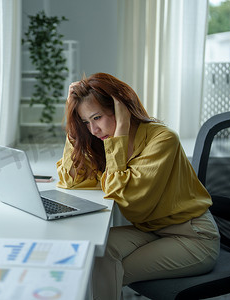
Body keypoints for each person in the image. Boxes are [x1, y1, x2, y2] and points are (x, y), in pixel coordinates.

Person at [56, 73, 220, 299]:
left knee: (106, 271)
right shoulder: (102, 141)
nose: (93, 130)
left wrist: (121, 131)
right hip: (152, 230)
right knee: (95, 254)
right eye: (86, 122)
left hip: (194, 236)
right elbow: (71, 180)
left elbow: (132, 201)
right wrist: (74, 130)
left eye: (97, 117)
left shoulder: (162, 140)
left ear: (121, 108)